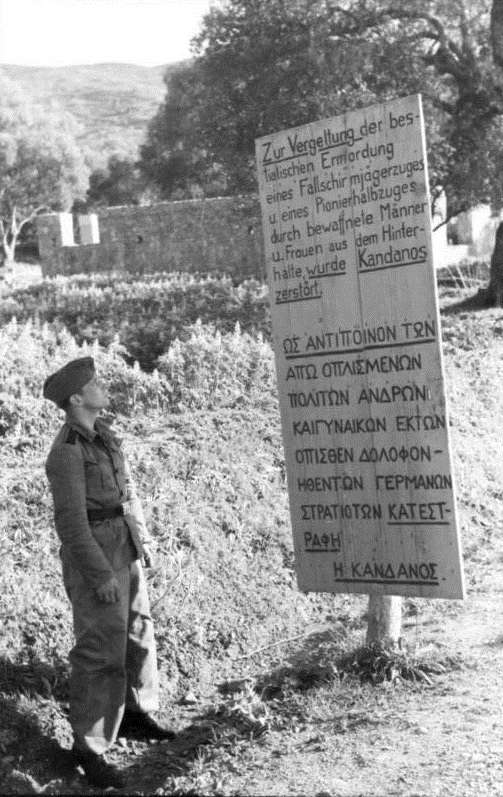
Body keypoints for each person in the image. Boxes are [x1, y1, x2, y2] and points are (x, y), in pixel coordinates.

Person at [43, 356, 174, 789]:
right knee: (100, 648)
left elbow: (127, 493)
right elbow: (72, 524)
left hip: (124, 542)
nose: (103, 387)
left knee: (138, 630)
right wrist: (98, 574)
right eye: (95, 384)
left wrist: (145, 541)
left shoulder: (106, 437)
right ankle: (89, 748)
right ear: (77, 398)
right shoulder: (66, 453)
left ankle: (135, 715)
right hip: (95, 553)